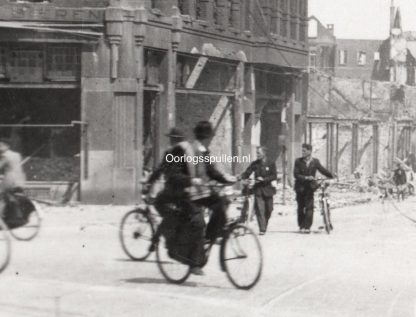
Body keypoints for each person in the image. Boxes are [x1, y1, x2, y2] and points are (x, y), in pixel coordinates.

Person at [293, 143, 334, 234]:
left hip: (309, 188)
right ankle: (301, 226)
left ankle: (307, 227)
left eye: (304, 151)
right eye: (302, 151)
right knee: (300, 207)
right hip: (300, 188)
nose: (302, 152)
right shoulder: (298, 161)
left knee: (309, 207)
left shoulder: (315, 161)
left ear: (310, 151)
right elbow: (296, 174)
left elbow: (323, 170)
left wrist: (332, 176)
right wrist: (306, 178)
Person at [240, 146, 277, 235]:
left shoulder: (271, 163)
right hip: (258, 189)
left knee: (269, 209)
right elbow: (247, 173)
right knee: (260, 209)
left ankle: (264, 224)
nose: (257, 155)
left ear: (264, 153)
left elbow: (274, 176)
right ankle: (262, 228)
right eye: (256, 153)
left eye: (258, 153)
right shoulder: (255, 164)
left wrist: (264, 179)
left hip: (268, 189)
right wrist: (240, 177)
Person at [0, 138, 26, 218]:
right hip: (20, 178)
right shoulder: (17, 154)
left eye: (1, 145)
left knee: (1, 196)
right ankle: (18, 215)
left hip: (10, 179)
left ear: (7, 146)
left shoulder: (5, 155)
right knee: (13, 197)